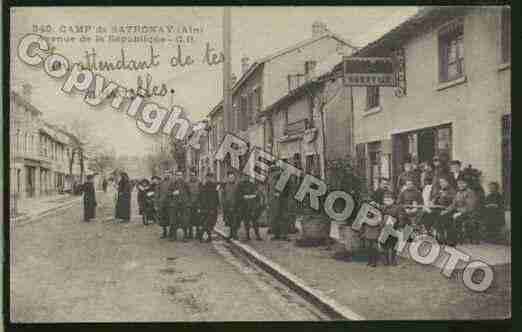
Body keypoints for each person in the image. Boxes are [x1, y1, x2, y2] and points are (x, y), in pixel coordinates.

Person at [442, 176, 480, 246]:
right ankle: (445, 238)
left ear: (466, 184)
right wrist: (446, 210)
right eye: (459, 184)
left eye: (462, 183)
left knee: (455, 219)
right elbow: (453, 204)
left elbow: (470, 207)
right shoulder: (458, 193)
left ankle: (453, 240)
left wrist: (459, 213)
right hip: (458, 211)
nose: (460, 185)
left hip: (469, 213)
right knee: (444, 216)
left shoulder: (470, 192)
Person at [421, 177, 456, 242]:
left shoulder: (452, 191)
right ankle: (428, 232)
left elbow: (454, 203)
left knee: (439, 217)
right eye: (440, 182)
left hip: (447, 209)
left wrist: (446, 196)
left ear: (448, 182)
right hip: (438, 208)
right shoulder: (440, 190)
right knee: (426, 214)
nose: (441, 184)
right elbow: (435, 198)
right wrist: (432, 202)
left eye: (443, 182)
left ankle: (440, 236)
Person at [379, 191, 407, 266]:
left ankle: (393, 261)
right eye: (385, 200)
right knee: (384, 244)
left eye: (389, 200)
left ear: (393, 200)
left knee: (393, 245)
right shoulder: (383, 208)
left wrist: (399, 227)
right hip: (385, 229)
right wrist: (381, 225)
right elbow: (381, 218)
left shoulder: (398, 208)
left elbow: (401, 218)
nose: (386, 202)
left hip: (394, 229)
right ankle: (386, 261)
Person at [237, 174, 263, 241]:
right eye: (245, 176)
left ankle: (257, 235)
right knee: (246, 222)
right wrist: (244, 197)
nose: (246, 178)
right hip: (244, 206)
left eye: (247, 176)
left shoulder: (252, 184)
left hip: (252, 206)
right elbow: (238, 195)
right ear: (243, 177)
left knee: (255, 222)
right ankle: (247, 235)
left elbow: (256, 195)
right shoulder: (240, 185)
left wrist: (253, 197)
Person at [269, 165, 291, 241]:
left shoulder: (280, 178)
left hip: (281, 200)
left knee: (281, 217)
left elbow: (287, 189)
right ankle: (279, 235)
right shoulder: (272, 178)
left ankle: (282, 235)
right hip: (276, 200)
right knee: (278, 217)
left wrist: (279, 194)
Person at [167, 171, 191, 241]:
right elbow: (168, 193)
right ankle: (174, 236)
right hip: (175, 204)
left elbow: (189, 193)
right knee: (174, 220)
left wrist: (187, 202)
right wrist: (173, 193)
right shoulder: (173, 184)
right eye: (177, 175)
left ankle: (185, 236)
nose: (179, 177)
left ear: (182, 176)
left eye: (180, 175)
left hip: (184, 204)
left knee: (185, 220)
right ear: (175, 176)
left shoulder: (185, 183)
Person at [199, 172, 219, 242]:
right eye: (208, 178)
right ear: (206, 178)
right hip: (208, 208)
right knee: (208, 223)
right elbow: (202, 198)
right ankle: (202, 235)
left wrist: (217, 207)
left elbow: (216, 198)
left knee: (209, 223)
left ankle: (207, 236)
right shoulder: (206, 187)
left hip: (210, 208)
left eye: (211, 178)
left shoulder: (213, 187)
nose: (210, 179)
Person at [221, 171, 240, 240]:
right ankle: (231, 234)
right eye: (230, 177)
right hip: (228, 206)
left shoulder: (237, 186)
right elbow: (223, 195)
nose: (231, 179)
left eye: (232, 177)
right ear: (228, 178)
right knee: (229, 221)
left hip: (236, 206)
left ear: (234, 178)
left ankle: (235, 234)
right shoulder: (225, 185)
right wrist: (223, 204)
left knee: (235, 221)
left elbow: (239, 195)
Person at [157, 171, 173, 239]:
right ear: (164, 174)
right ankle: (164, 232)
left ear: (170, 174)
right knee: (163, 219)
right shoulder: (161, 183)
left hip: (170, 203)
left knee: (171, 218)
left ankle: (171, 233)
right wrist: (157, 202)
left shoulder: (173, 182)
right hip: (162, 203)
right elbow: (157, 192)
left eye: (168, 173)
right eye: (165, 173)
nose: (167, 174)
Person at [186, 171, 201, 240]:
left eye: (193, 175)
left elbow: (201, 194)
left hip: (197, 204)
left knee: (198, 220)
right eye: (191, 175)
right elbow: (186, 194)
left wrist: (200, 204)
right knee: (190, 220)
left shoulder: (199, 183)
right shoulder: (187, 184)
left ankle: (198, 234)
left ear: (196, 176)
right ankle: (190, 234)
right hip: (189, 204)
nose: (192, 177)